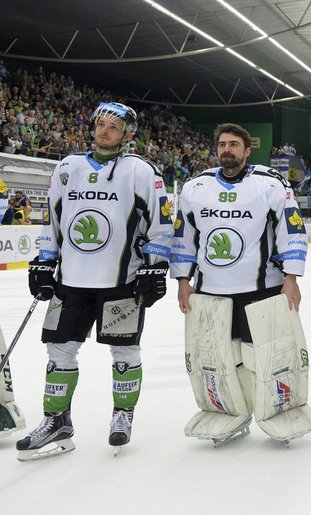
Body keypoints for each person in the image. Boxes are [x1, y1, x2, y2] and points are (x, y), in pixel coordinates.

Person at [16, 102, 171, 460]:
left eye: (113, 127)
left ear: (126, 134)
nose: (104, 130)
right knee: (59, 350)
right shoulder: (68, 167)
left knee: (124, 350)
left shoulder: (141, 171)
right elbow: (52, 221)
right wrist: (44, 261)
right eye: (100, 124)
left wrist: (154, 267)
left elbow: (160, 227)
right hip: (71, 281)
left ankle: (122, 414)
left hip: (122, 280)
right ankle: (57, 421)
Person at [171, 123, 311, 445]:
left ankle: (278, 408)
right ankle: (232, 411)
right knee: (221, 357)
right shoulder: (196, 187)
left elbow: (291, 232)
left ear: (247, 150)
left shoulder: (269, 184)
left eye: (234, 144)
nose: (227, 149)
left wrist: (291, 279)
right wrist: (183, 280)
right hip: (211, 291)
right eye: (222, 143)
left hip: (262, 288)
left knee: (267, 355)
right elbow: (183, 238)